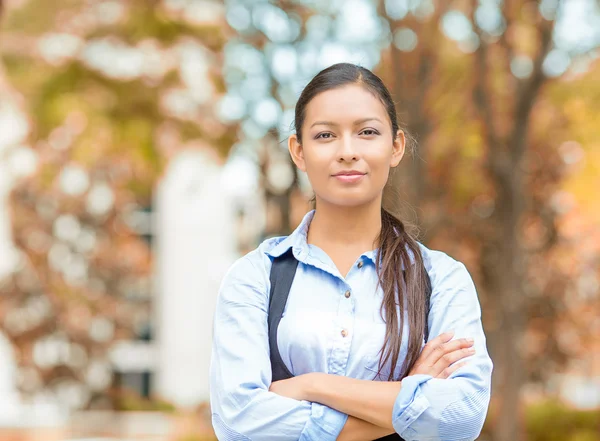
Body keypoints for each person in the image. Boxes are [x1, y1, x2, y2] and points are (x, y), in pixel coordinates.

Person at [209, 63, 493, 441]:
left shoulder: (442, 278)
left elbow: (460, 419)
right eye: (325, 135)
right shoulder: (254, 276)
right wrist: (408, 394)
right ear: (298, 151)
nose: (347, 152)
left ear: (396, 147)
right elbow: (238, 420)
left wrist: (312, 386)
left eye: (367, 132)